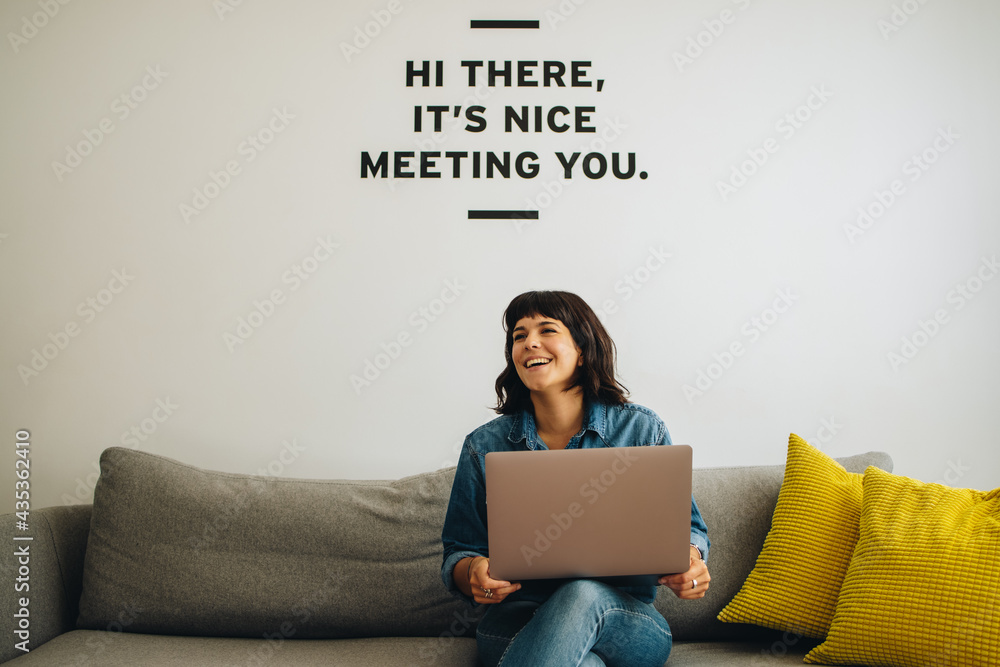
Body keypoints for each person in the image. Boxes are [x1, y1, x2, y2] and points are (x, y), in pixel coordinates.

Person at [440, 290, 710, 667]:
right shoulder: (483, 445)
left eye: (546, 330)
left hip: (626, 622)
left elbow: (689, 530)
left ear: (582, 350)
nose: (529, 342)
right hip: (517, 624)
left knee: (582, 594)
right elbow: (459, 547)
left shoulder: (641, 429)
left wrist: (691, 561)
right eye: (519, 336)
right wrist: (473, 572)